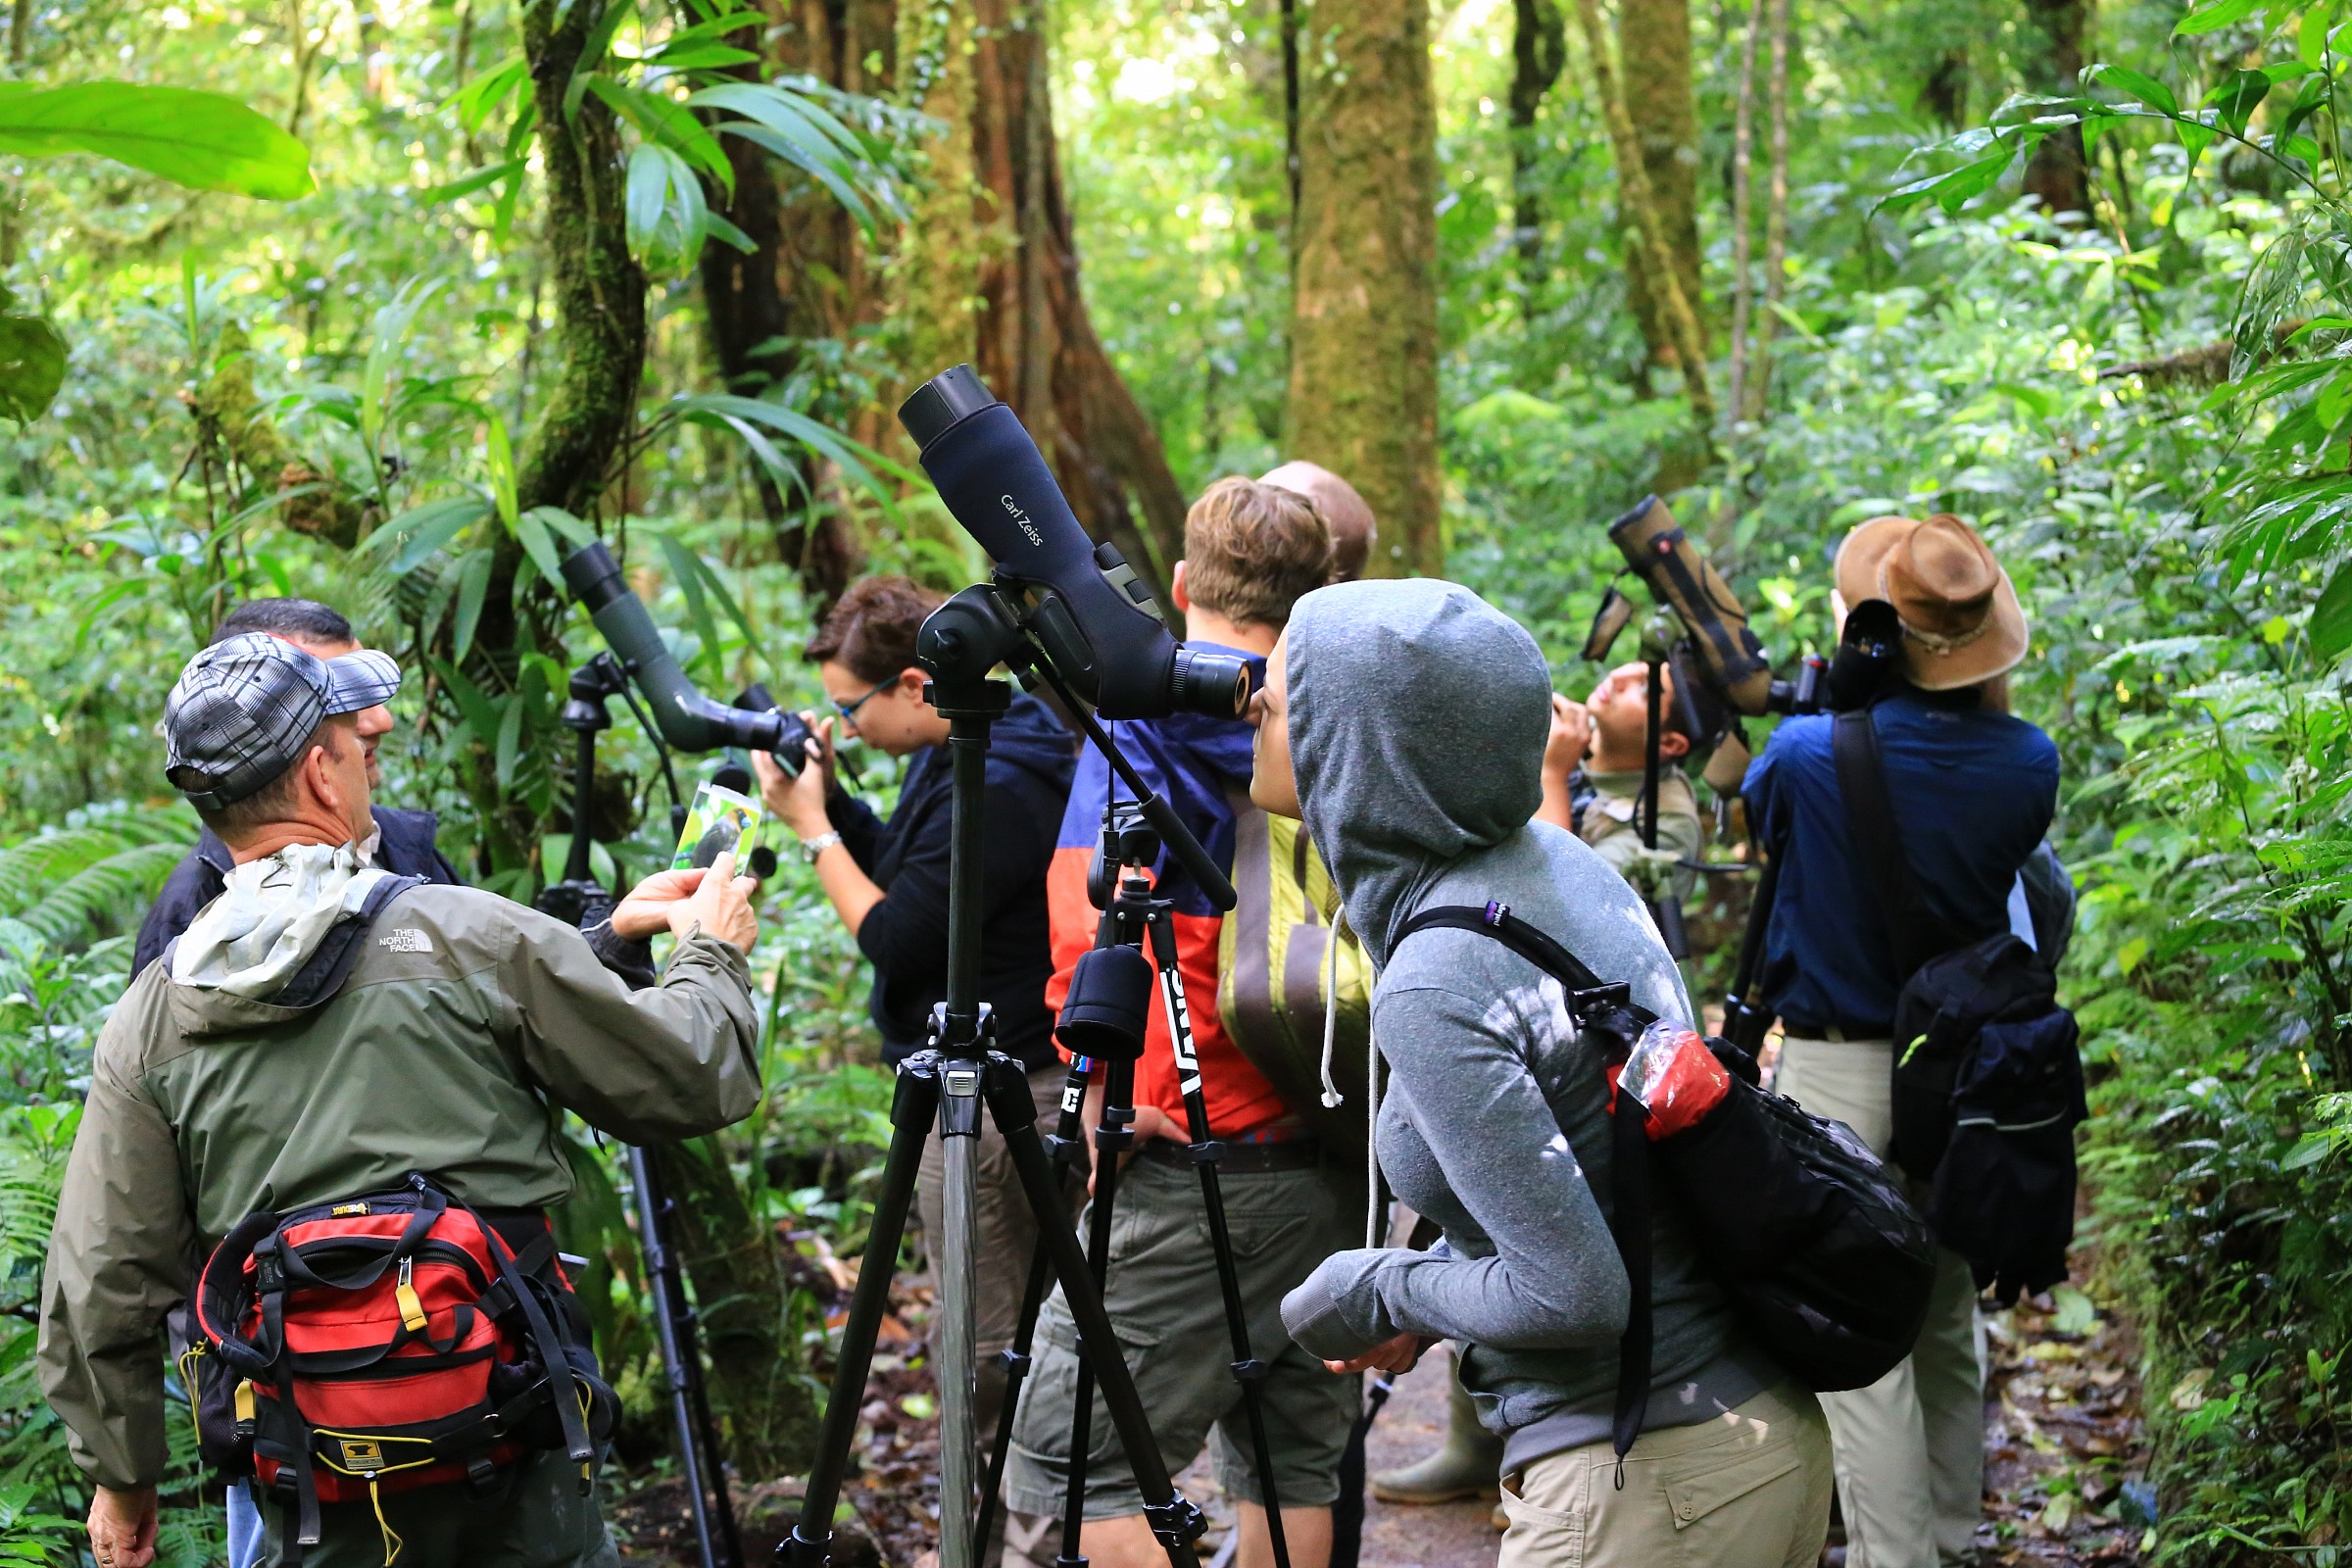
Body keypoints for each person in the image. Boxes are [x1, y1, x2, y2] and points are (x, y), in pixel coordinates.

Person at [41, 633, 766, 1568]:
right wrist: (709, 949)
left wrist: (122, 1474)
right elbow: (693, 1074)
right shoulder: (462, 933)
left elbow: (101, 1276)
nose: (365, 759)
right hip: (509, 1439)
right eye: (356, 743)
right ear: (320, 774)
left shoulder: (151, 1015)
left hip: (313, 1468)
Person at [1261, 577, 1834, 1568]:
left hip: (1647, 1485)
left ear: (1361, 747)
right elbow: (1598, 1178)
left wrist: (1389, 1287)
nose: (1257, 714)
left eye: (1283, 700)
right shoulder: (1556, 870)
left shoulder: (1436, 976)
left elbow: (1575, 1295)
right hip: (1750, 1437)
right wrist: (1446, 1295)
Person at [1001, 477, 1354, 1568]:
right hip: (1330, 1144)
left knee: (1070, 1467)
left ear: (1183, 585)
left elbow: (1089, 930)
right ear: (1316, 594)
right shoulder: (1334, 719)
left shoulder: (1138, 721)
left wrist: (1107, 1095)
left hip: (1199, 1160)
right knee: (1285, 1451)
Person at [1741, 514, 2059, 1568]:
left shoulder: (1804, 753)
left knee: (1860, 1346)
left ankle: (1894, 1560)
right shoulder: (2028, 761)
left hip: (1835, 1068)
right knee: (1943, 1316)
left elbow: (1765, 821)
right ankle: (1950, 1538)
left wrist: (1845, 696)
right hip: (1960, 1076)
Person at [1372, 657, 1708, 1515]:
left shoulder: (1664, 817)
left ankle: (1538, 1455)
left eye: (1636, 687)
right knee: (1492, 1216)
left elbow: (1528, 917)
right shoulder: (1601, 793)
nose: (1607, 687)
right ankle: (1484, 1441)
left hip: (1610, 1070)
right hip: (1578, 1057)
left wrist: (1546, 776)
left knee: (1545, 1232)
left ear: (1670, 738)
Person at [751, 573, 1075, 1463]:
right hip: (988, 1073)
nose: (846, 729)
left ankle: (1019, 1528)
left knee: (987, 1344)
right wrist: (833, 803)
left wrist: (813, 831)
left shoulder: (1003, 779)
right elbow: (909, 867)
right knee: (1002, 1336)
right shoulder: (963, 740)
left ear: (913, 687)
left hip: (1001, 1090)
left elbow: (899, 939)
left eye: (850, 712)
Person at [1535, 661, 1702, 874]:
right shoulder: (1570, 731)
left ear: (1669, 743)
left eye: (1645, 689)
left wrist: (1551, 776)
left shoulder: (1666, 828)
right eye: (1637, 664)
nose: (1617, 676)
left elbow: (1565, 896)